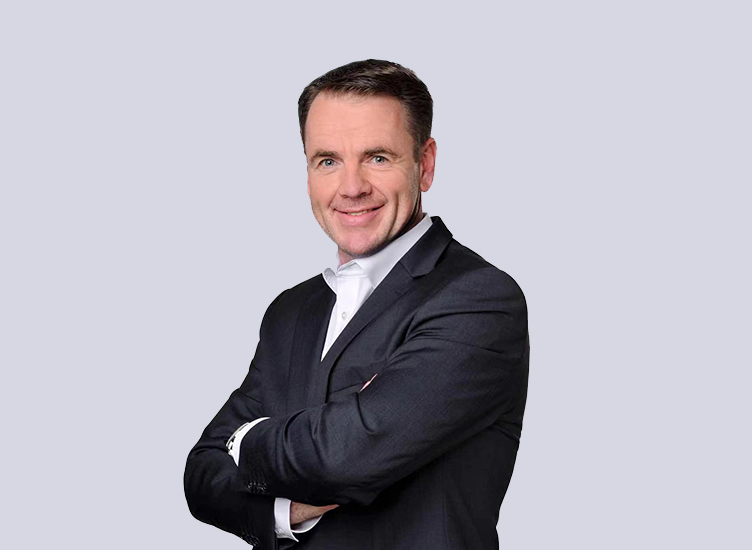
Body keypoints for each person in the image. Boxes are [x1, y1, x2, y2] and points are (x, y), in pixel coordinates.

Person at [184, 59, 529, 550]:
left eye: (378, 158)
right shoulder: (291, 311)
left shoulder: (478, 299)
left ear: (426, 164)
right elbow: (200, 476)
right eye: (327, 161)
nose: (351, 187)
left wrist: (244, 440)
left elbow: (344, 457)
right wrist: (286, 510)